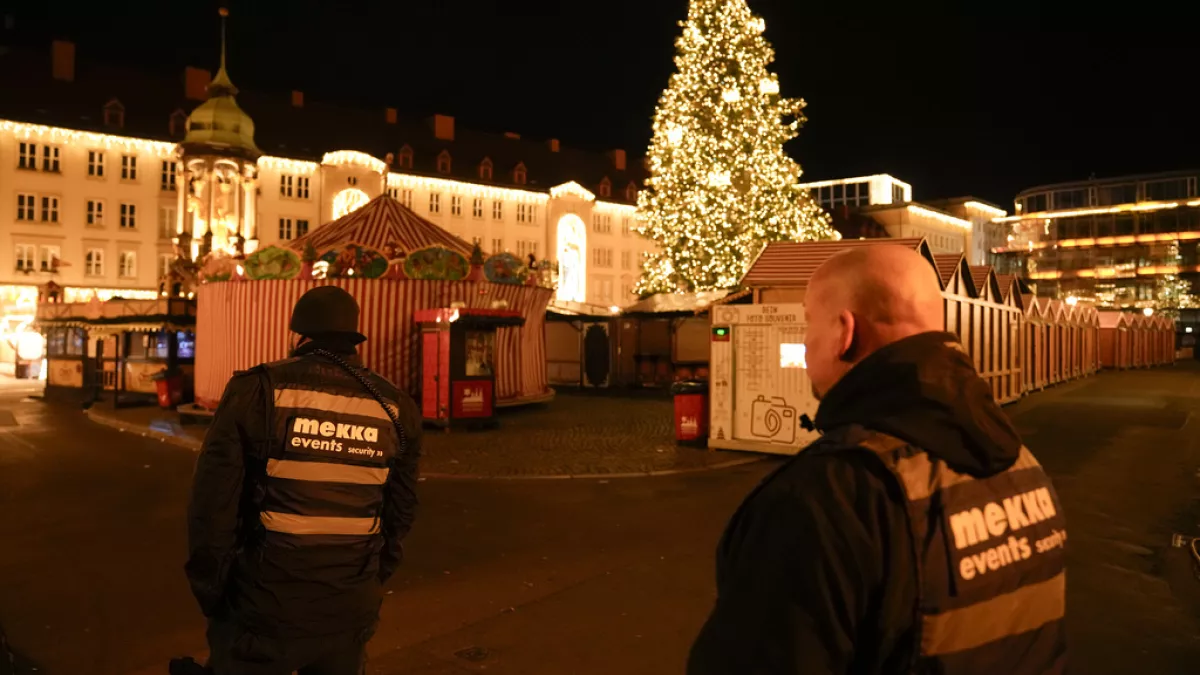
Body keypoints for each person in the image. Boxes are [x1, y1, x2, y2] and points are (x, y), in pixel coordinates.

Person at [688, 245, 1067, 674]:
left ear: (844, 332)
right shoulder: (1021, 463)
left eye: (809, 322)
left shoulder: (827, 496)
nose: (804, 342)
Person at [186, 286, 421, 675]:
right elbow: (400, 513)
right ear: (353, 339)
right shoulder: (396, 406)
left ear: (300, 336)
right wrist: (369, 580)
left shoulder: (258, 391)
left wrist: (214, 594)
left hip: (263, 611)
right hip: (349, 611)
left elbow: (212, 508)